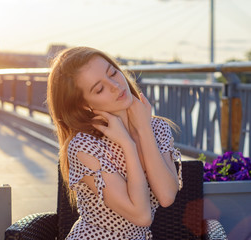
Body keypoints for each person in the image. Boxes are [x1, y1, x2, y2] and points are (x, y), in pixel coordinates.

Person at [46, 47, 183, 240]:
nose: (115, 86)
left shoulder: (155, 127)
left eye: (112, 73)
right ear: (85, 105)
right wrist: (128, 145)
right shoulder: (85, 146)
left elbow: (167, 195)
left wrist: (143, 129)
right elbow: (141, 215)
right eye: (99, 89)